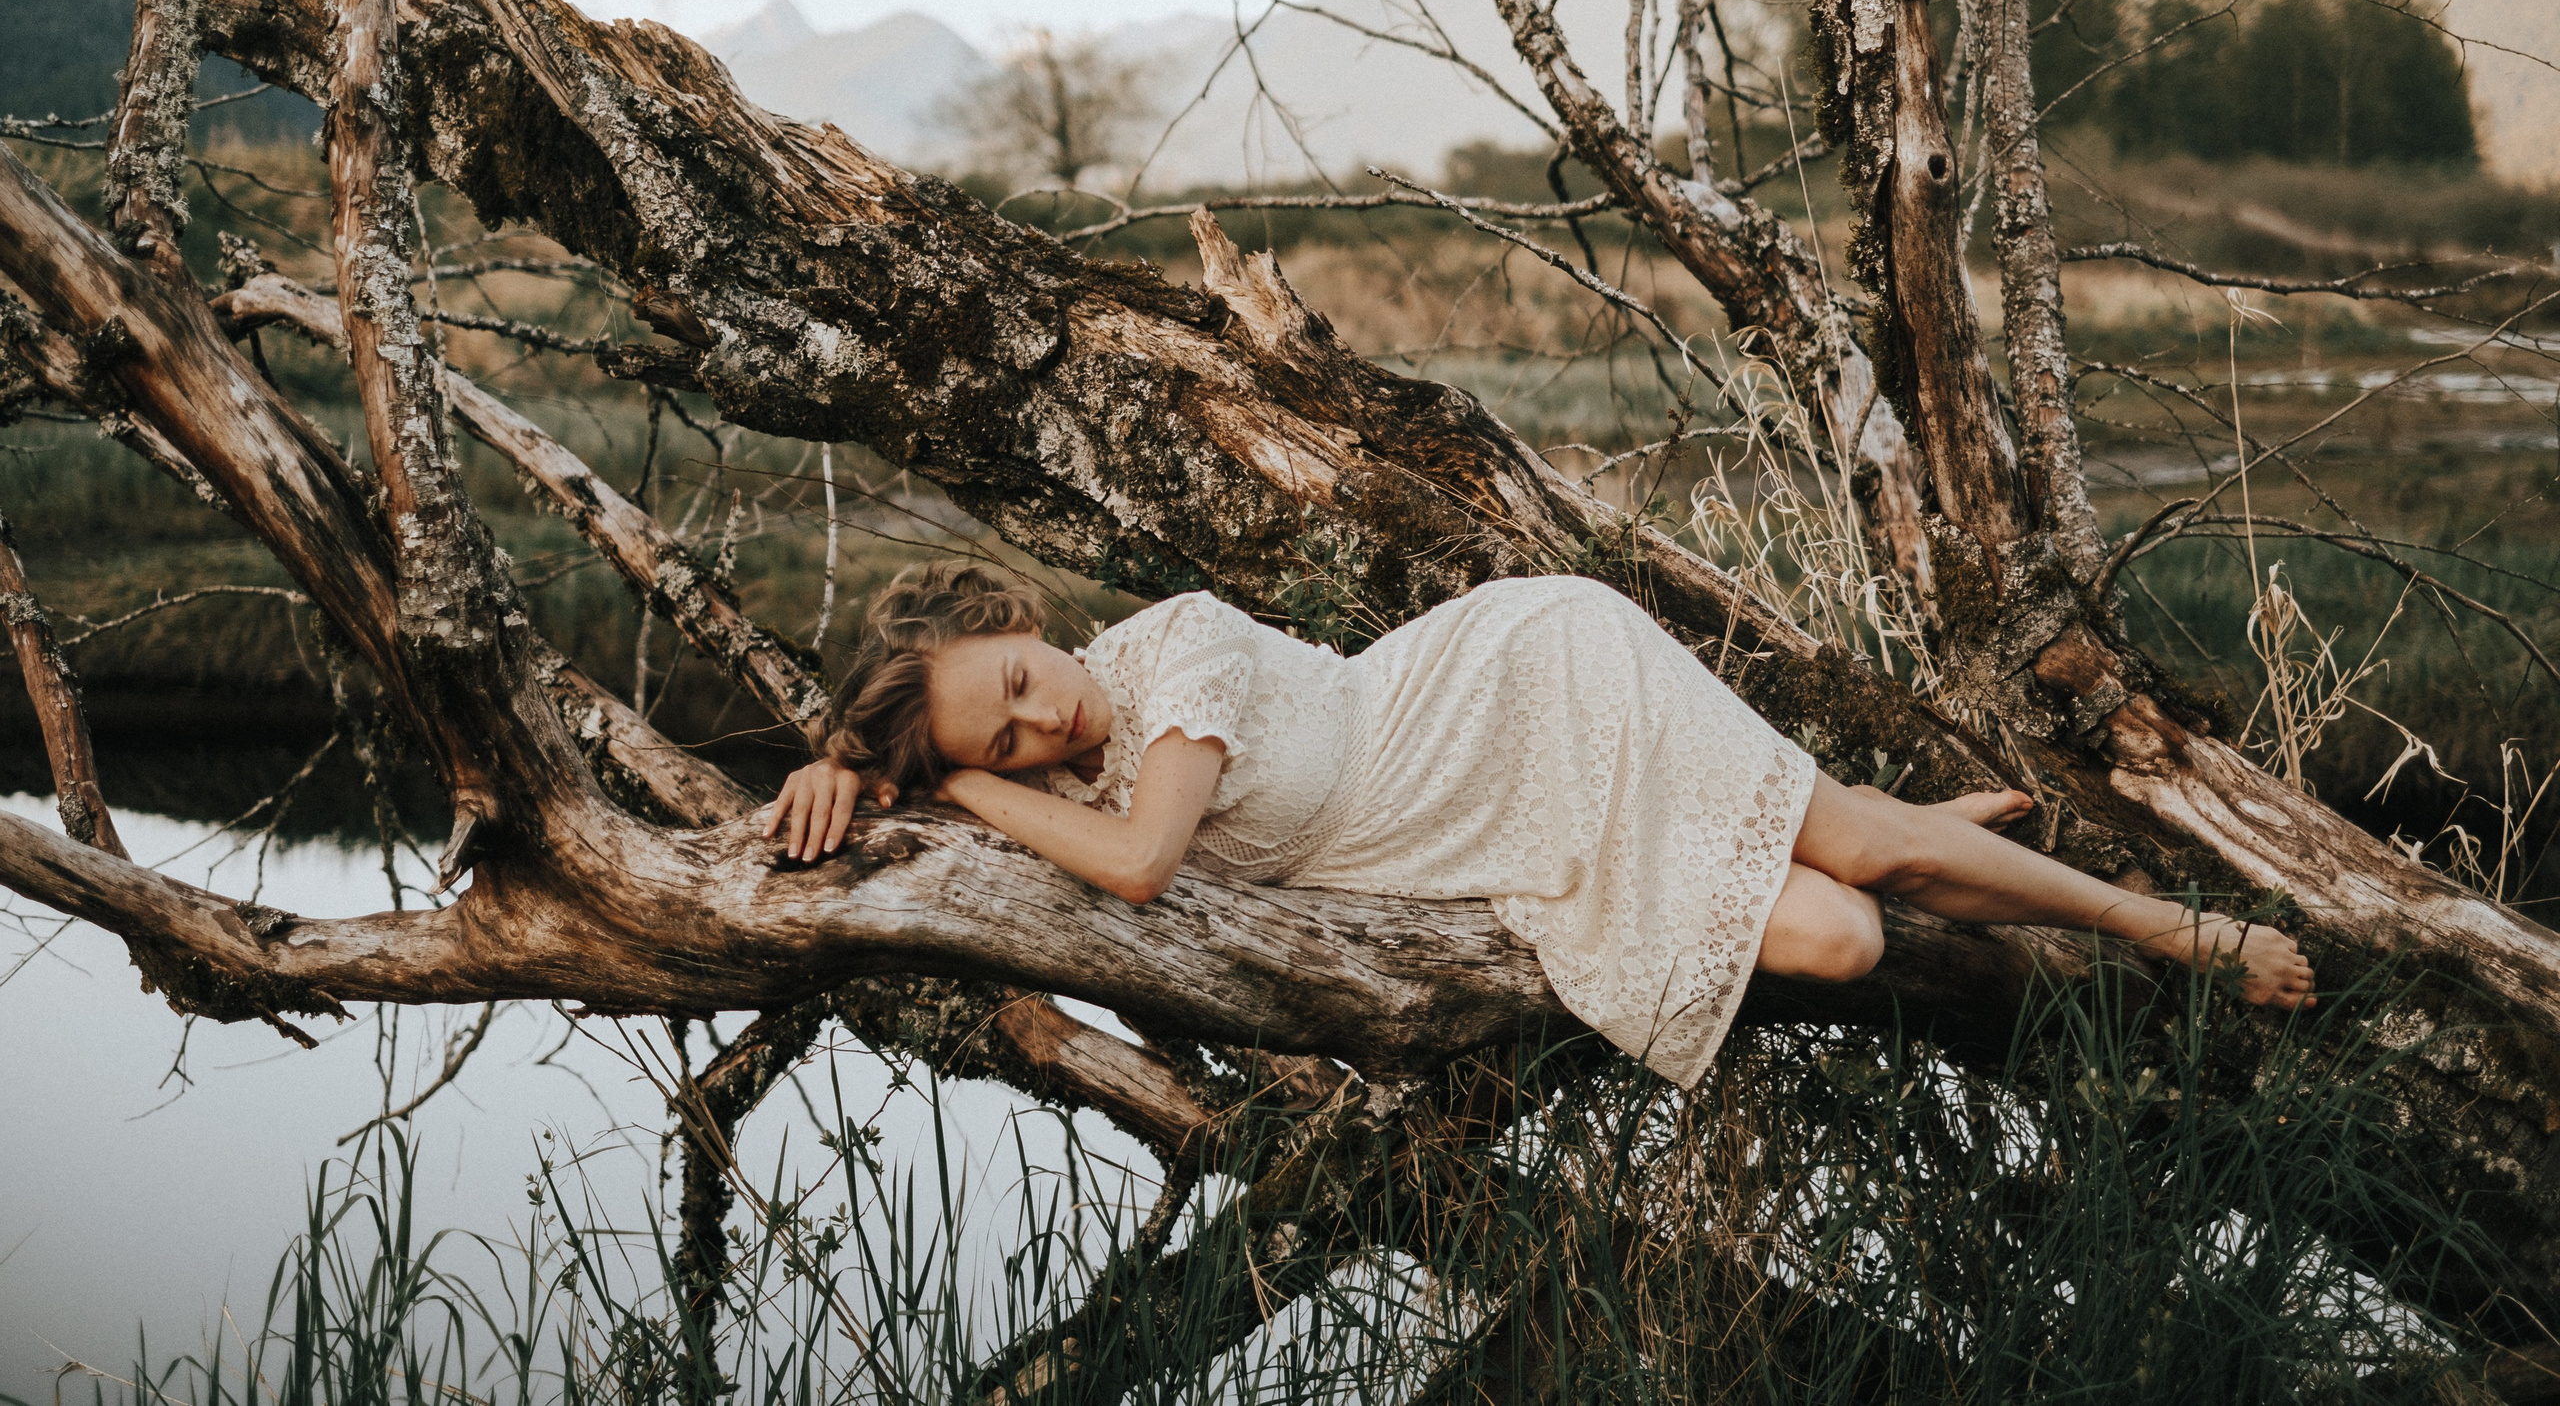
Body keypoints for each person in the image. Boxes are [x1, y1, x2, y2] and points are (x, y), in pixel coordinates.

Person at [765, 561, 2314, 1087]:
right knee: (1838, 934)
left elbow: (1147, 868)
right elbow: (943, 809)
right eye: (1014, 742)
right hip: (1491, 857)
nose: (1049, 724)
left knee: (1862, 858)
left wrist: (960, 783)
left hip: (1520, 691)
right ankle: (1853, 817)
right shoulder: (1064, 791)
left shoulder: (1171, 652)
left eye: (1023, 685)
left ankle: (2178, 934)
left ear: (1021, 624)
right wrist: (841, 770)